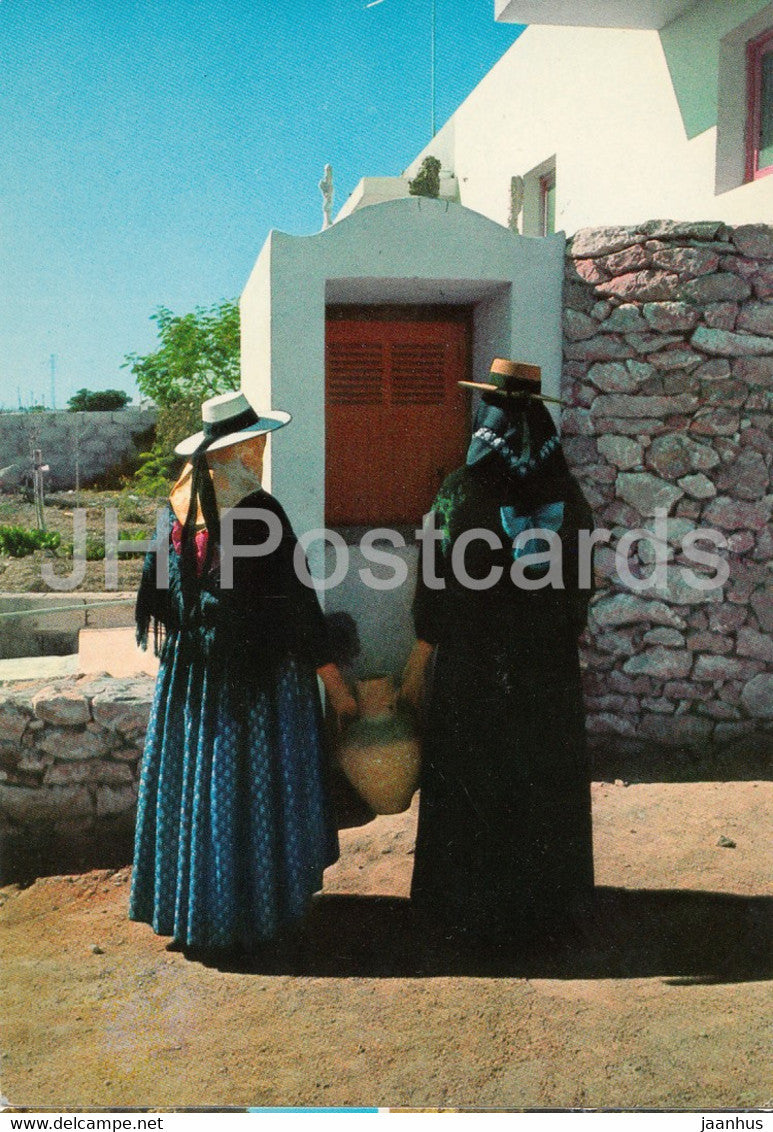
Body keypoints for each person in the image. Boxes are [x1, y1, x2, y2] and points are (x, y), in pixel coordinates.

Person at [129, 391, 356, 954]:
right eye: (254, 441)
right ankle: (255, 912)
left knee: (200, 786)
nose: (259, 449)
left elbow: (160, 596)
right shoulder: (260, 510)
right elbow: (295, 606)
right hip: (255, 684)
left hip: (191, 681)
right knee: (249, 787)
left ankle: (197, 908)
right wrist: (333, 679)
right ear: (239, 447)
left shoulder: (178, 509)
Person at [401, 359, 595, 948]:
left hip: (474, 665)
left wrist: (424, 650)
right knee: (540, 773)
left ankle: (464, 909)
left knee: (473, 772)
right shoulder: (566, 492)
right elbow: (581, 584)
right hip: (545, 668)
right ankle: (547, 910)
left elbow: (434, 584)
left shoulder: (462, 491)